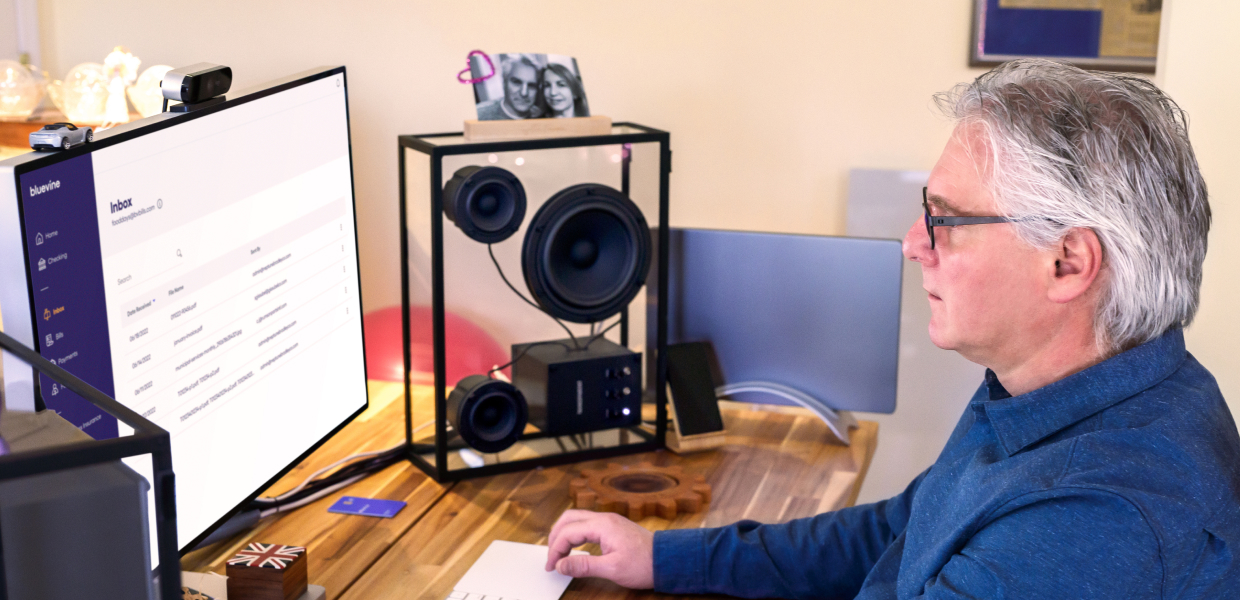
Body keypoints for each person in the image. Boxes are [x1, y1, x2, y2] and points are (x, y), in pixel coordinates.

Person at [544, 59, 1240, 598]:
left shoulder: (1096, 520)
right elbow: (905, 528)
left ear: (1067, 263)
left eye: (946, 217)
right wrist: (667, 559)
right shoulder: (1064, 388)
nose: (913, 242)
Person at [476, 54, 542, 120]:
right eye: (517, 82)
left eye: (531, 86)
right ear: (504, 83)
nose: (524, 93)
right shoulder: (478, 115)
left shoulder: (541, 115)